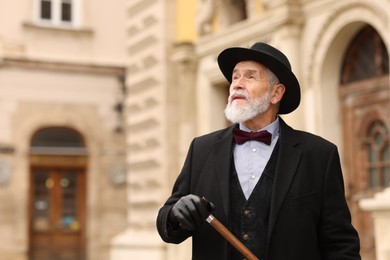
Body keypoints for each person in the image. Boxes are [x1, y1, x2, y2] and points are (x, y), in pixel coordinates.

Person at [156, 42, 361, 260]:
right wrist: (175, 215)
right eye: (235, 77)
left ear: (276, 93)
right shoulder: (201, 149)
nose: (237, 84)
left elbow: (341, 244)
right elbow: (167, 223)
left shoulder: (319, 155)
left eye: (250, 77)